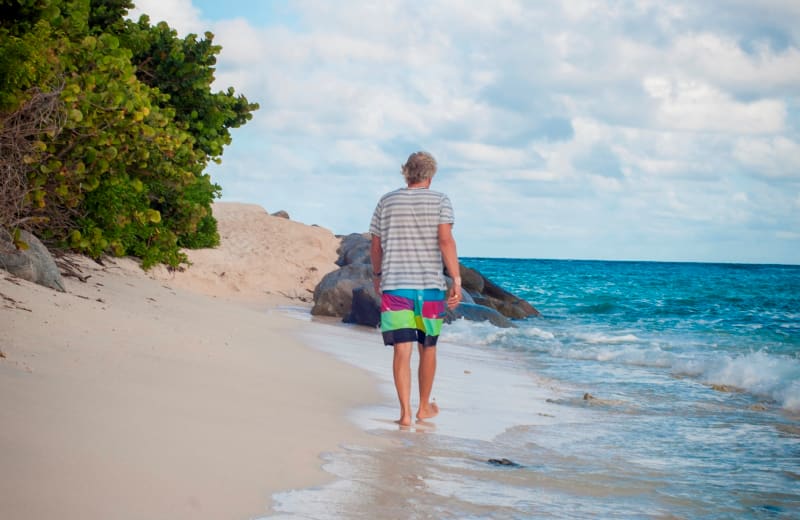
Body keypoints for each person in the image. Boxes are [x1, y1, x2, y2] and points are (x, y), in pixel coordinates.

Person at [369, 151, 462, 427]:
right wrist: (456, 279)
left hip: (396, 285)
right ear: (430, 177)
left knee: (402, 349)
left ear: (405, 172)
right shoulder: (441, 200)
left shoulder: (386, 201)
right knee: (428, 348)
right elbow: (445, 241)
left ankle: (405, 414)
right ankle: (423, 407)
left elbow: (376, 246)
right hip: (429, 287)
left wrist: (377, 275)